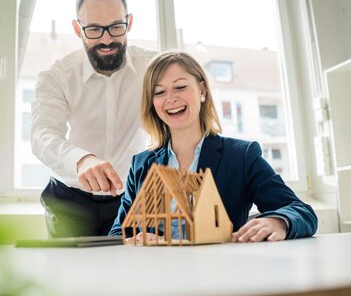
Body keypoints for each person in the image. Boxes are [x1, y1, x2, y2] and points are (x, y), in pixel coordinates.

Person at [109, 51, 318, 242]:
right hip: (160, 274)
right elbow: (117, 234)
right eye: (159, 92)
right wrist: (132, 240)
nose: (170, 98)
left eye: (180, 87)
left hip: (220, 272)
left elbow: (301, 211)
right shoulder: (141, 164)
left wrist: (278, 222)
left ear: (202, 91)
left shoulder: (241, 156)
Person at [31, 0, 157, 238]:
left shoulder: (153, 68)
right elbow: (42, 135)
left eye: (116, 27)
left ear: (129, 22)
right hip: (69, 200)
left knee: (131, 273)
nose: (107, 39)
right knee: (70, 274)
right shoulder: (57, 77)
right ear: (77, 29)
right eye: (94, 29)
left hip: (131, 199)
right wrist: (82, 160)